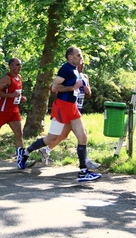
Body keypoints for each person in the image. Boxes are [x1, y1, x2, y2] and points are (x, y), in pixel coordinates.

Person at [16, 47, 101, 182]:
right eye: (78, 55)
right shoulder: (66, 69)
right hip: (62, 107)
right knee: (51, 139)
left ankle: (83, 172)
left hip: (72, 107)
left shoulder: (76, 71)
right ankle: (25, 153)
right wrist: (72, 88)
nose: (81, 57)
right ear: (70, 57)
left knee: (83, 137)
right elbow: (55, 87)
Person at [39, 62, 101, 169]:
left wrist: (87, 91)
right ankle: (85, 161)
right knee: (83, 135)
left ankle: (46, 150)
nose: (82, 66)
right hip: (68, 109)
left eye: (84, 65)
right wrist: (61, 97)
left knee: (63, 135)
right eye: (80, 64)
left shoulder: (85, 77)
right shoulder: (70, 75)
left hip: (77, 110)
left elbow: (89, 94)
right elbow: (53, 88)